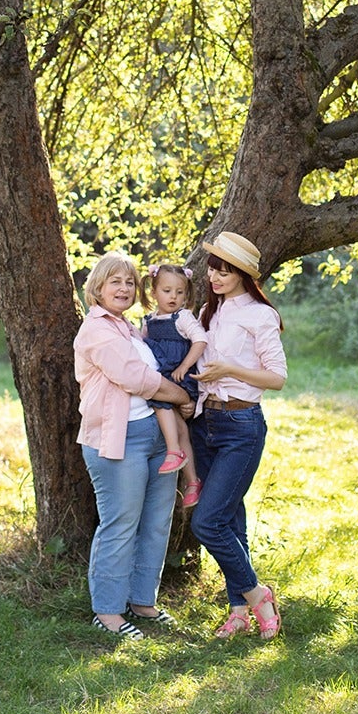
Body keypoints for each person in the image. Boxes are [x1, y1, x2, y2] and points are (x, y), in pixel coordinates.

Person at [73, 251, 194, 641]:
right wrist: (180, 397)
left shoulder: (129, 328)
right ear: (97, 288)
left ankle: (143, 601)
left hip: (158, 437)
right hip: (117, 441)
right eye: (115, 281)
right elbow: (136, 379)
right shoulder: (97, 330)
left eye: (129, 282)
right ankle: (107, 611)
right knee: (120, 524)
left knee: (157, 522)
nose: (123, 288)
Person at [189, 231, 287, 641]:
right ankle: (238, 612)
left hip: (240, 425)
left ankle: (258, 594)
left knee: (207, 522)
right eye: (213, 266)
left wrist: (229, 369)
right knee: (230, 521)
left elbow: (277, 377)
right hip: (204, 423)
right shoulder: (207, 313)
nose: (214, 275)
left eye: (224, 269)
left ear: (243, 273)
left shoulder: (260, 316)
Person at [140, 263, 207, 509]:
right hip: (163, 377)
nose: (173, 297)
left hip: (180, 380)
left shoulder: (183, 318)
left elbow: (201, 340)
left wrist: (184, 366)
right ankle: (192, 483)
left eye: (180, 292)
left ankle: (173, 452)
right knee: (181, 430)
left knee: (161, 402)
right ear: (154, 292)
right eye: (167, 291)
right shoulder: (148, 321)